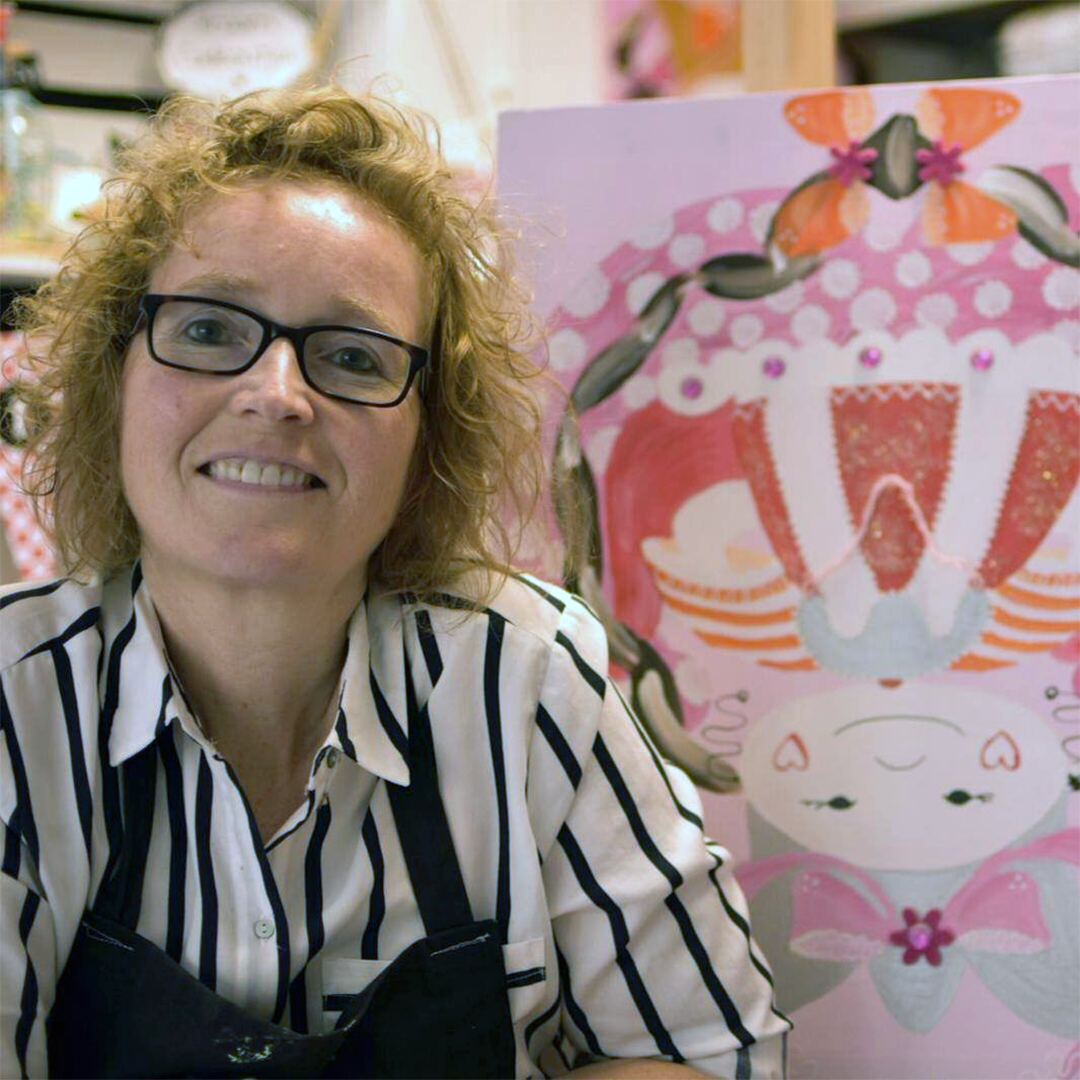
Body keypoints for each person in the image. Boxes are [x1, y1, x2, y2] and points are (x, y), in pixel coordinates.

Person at [0, 86, 790, 1079]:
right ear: (112, 382)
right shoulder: (14, 701)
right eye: (207, 331)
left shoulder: (531, 681)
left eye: (351, 355)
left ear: (429, 439)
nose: (277, 395)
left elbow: (711, 1060)